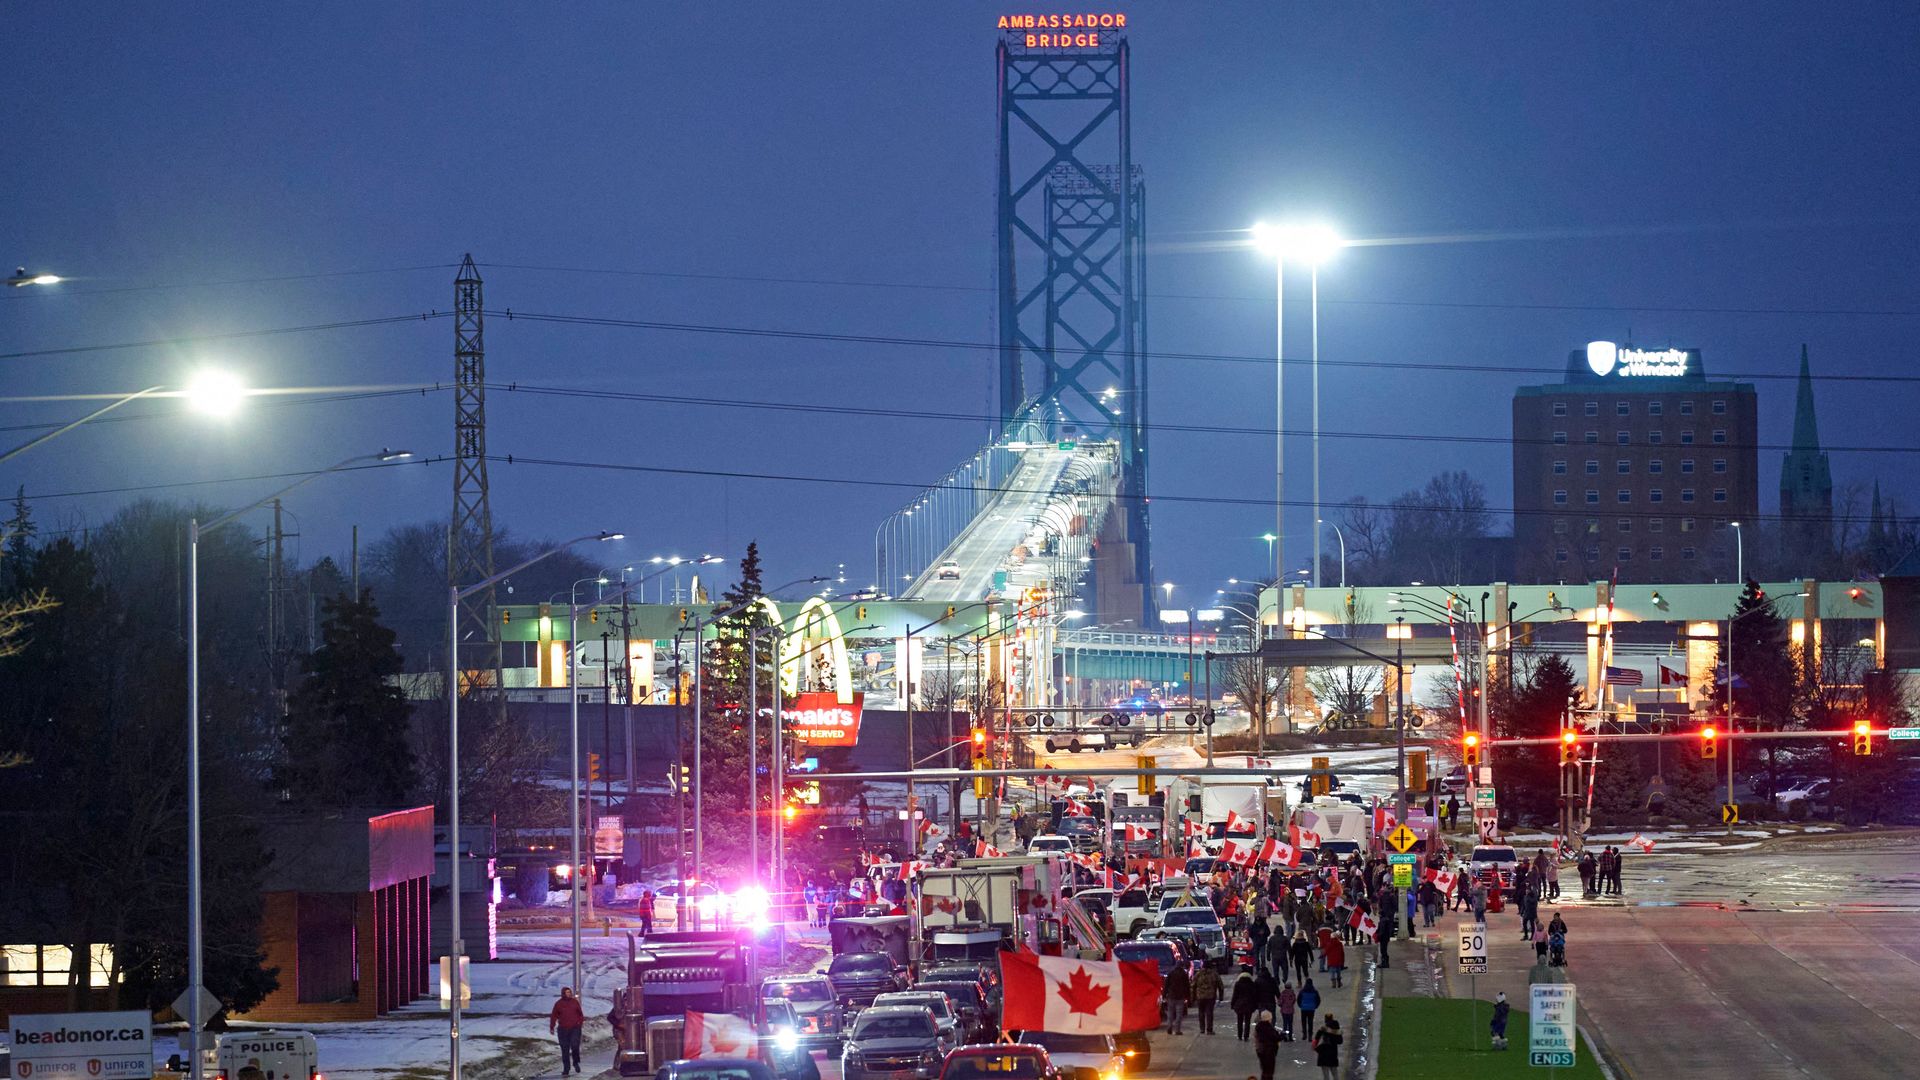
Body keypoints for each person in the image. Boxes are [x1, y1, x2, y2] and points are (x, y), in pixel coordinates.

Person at [549, 987, 585, 1076]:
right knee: (565, 1049)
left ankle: (576, 1062)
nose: (568, 994)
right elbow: (554, 1016)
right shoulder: (558, 1004)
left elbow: (580, 1014)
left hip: (575, 1028)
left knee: (575, 1045)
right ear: (563, 993)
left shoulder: (574, 1002)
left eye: (569, 992)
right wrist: (552, 1027)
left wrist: (580, 1022)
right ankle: (566, 1068)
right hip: (563, 1030)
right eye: (566, 992)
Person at [1193, 961, 1223, 1035]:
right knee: (1209, 1013)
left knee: (1201, 1013)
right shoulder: (1214, 974)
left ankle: (1202, 1029)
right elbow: (1220, 985)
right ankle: (1209, 1030)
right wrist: (1221, 997)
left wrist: (1193, 996)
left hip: (1200, 996)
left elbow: (1193, 985)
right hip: (1210, 996)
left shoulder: (1198, 974)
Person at [1163, 959, 1192, 1035]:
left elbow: (1166, 985)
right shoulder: (1184, 974)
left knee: (1170, 1013)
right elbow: (1187, 986)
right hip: (1180, 997)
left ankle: (1169, 1026)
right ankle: (1177, 1030)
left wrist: (1164, 995)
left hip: (1171, 996)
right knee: (1179, 1014)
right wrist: (1188, 996)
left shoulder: (1171, 973)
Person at [1230, 965, 1258, 1040]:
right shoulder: (1252, 984)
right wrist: (1255, 1006)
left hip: (1239, 1005)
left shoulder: (1238, 984)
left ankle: (1239, 1035)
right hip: (1249, 1005)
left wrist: (1232, 1004)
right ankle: (1246, 1036)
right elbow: (1254, 996)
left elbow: (1235, 995)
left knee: (1239, 1021)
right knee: (1247, 1021)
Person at [1310, 1016, 1343, 1080]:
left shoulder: (1323, 1029)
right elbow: (1340, 1041)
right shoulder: (1338, 1032)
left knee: (1326, 1075)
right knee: (1335, 1074)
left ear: (1325, 1020)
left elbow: (1316, 1038)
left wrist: (1314, 1045)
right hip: (1333, 1055)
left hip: (1323, 1054)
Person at [1251, 1010, 1279, 1080]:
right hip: (1269, 1051)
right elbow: (1275, 1037)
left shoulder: (1258, 1027)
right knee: (1269, 1070)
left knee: (1264, 1069)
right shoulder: (1269, 1028)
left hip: (1260, 1050)